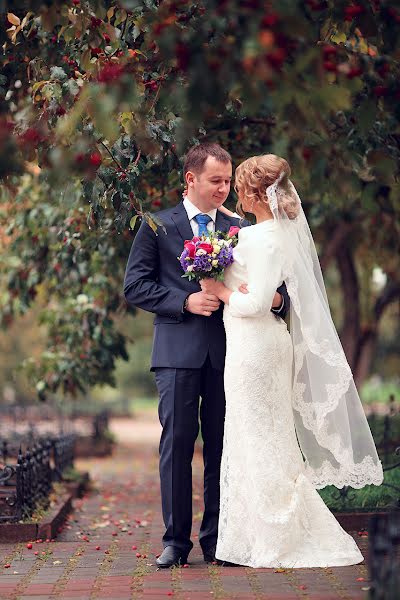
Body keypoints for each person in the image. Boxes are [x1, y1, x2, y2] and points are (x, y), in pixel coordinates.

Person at [200, 154, 383, 568]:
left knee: (255, 435)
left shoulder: (256, 238)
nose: (235, 193)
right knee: (268, 435)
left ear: (252, 191)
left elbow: (258, 302)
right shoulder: (276, 234)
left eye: (239, 185)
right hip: (263, 347)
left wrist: (220, 289)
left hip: (254, 349)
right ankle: (256, 533)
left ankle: (270, 535)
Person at [123, 143, 289, 568]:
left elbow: (278, 291)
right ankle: (176, 542)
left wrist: (264, 301)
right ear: (190, 179)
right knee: (177, 446)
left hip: (231, 354)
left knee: (222, 446)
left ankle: (218, 540)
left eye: (227, 181)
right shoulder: (157, 226)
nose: (224, 189)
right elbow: (135, 286)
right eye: (216, 181)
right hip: (176, 352)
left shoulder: (240, 227)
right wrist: (184, 302)